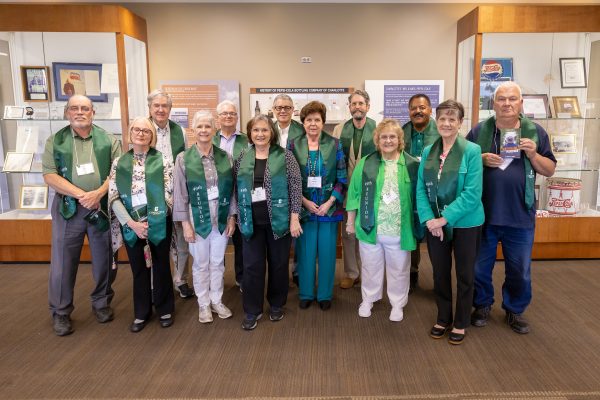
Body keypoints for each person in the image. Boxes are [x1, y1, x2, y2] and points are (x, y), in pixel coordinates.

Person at [467, 82, 556, 334]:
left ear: (521, 103)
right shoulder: (478, 132)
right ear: (493, 104)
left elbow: (549, 170)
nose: (507, 103)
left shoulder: (535, 132)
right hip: (484, 214)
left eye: (512, 99)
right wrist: (480, 159)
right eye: (502, 99)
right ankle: (482, 305)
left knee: (520, 269)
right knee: (478, 267)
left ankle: (514, 309)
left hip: (520, 215)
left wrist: (533, 155)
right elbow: (461, 165)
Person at [42, 95, 121, 336]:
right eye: (74, 108)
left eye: (85, 108)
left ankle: (101, 303)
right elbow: (50, 175)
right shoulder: (56, 141)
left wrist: (97, 194)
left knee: (104, 259)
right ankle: (61, 311)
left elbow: (117, 172)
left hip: (101, 208)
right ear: (67, 113)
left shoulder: (108, 139)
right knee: (64, 262)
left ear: (93, 112)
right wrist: (82, 195)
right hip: (69, 209)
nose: (79, 112)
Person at [416, 99, 484, 345]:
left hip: (466, 223)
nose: (446, 123)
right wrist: (429, 220)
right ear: (437, 120)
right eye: (442, 118)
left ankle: (461, 321)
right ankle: (443, 316)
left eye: (451, 119)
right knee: (440, 273)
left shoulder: (472, 151)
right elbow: (421, 190)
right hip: (435, 224)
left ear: (460, 123)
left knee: (465, 274)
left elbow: (472, 194)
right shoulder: (428, 152)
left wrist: (444, 219)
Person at [345, 119, 419, 321]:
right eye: (383, 137)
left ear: (399, 140)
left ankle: (397, 304)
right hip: (370, 228)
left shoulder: (412, 164)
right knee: (370, 267)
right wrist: (350, 222)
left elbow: (419, 197)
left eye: (392, 136)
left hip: (398, 230)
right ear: (377, 140)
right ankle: (368, 299)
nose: (388, 140)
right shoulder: (365, 163)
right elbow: (354, 194)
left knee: (399, 270)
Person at [234, 114, 302, 330]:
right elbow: (235, 189)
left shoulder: (285, 156)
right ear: (250, 133)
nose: (260, 134)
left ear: (271, 132)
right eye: (256, 130)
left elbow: (295, 187)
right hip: (250, 221)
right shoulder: (243, 156)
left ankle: (276, 304)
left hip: (278, 222)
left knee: (279, 264)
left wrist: (294, 217)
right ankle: (252, 310)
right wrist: (233, 217)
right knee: (252, 266)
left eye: (264, 130)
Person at [108, 117, 175, 333]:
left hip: (158, 221)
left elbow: (169, 192)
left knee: (161, 265)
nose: (141, 133)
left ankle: (165, 308)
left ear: (152, 135)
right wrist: (132, 223)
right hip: (131, 225)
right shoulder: (120, 163)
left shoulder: (163, 161)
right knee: (139, 268)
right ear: (130, 133)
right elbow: (113, 196)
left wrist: (151, 220)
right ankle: (142, 312)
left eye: (146, 130)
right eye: (137, 129)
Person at [173, 110, 237, 324]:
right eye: (199, 126)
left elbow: (232, 190)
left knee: (218, 262)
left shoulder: (225, 157)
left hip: (220, 214)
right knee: (200, 263)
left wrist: (231, 217)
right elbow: (180, 194)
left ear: (214, 129)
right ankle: (203, 304)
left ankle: (217, 300)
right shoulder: (183, 159)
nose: (203, 130)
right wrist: (185, 224)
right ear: (193, 130)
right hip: (196, 216)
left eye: (207, 126)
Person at [289, 101, 347, 310]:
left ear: (323, 123)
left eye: (317, 120)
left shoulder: (335, 144)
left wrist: (330, 201)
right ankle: (305, 293)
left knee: (327, 252)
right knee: (305, 252)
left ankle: (324, 295)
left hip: (328, 209)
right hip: (304, 209)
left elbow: (342, 178)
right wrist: (303, 201)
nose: (313, 124)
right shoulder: (294, 145)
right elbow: (290, 179)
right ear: (303, 123)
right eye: (308, 120)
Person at [147, 89, 194, 299]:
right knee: (156, 242)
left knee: (182, 241)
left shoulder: (179, 131)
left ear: (170, 109)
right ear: (150, 108)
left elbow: (184, 162)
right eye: (156, 105)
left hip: (176, 194)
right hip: (152, 196)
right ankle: (154, 282)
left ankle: (180, 279)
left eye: (164, 106)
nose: (160, 109)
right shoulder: (143, 129)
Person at [332, 90, 376, 290]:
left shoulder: (377, 128)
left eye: (361, 103)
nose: (357, 107)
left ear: (368, 106)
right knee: (348, 233)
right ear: (349, 107)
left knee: (369, 230)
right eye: (353, 104)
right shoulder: (340, 129)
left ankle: (370, 273)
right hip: (347, 188)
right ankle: (351, 272)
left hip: (371, 188)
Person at [402, 94, 440, 290]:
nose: (418, 111)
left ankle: (439, 278)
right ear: (409, 111)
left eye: (422, 107)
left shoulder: (441, 132)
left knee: (435, 233)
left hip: (434, 193)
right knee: (410, 230)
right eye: (414, 108)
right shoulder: (401, 132)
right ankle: (412, 272)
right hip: (408, 190)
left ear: (430, 110)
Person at [213, 100, 249, 289]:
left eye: (232, 113)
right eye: (224, 113)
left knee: (242, 241)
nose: (228, 116)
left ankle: (241, 278)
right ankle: (217, 281)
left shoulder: (247, 140)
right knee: (217, 240)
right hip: (215, 199)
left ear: (237, 117)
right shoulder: (209, 139)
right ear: (217, 118)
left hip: (240, 196)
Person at [272, 94, 305, 286]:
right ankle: (279, 274)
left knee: (298, 232)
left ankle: (298, 271)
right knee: (278, 234)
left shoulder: (301, 131)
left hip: (296, 186)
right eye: (279, 108)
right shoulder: (267, 130)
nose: (282, 111)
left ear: (293, 110)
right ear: (273, 110)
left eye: (287, 107)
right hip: (274, 189)